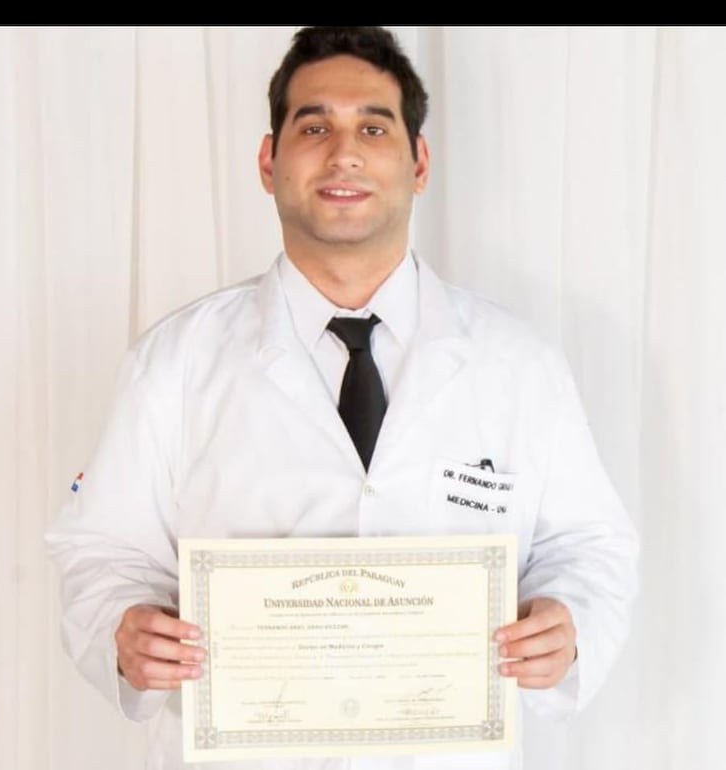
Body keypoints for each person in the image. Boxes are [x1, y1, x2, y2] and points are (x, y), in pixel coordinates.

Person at [46, 25, 638, 770]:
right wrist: (123, 628)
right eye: (314, 126)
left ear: (419, 163)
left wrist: (567, 621)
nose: (344, 153)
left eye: (374, 128)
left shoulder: (520, 365)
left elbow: (590, 546)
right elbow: (102, 549)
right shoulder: (175, 362)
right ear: (269, 162)